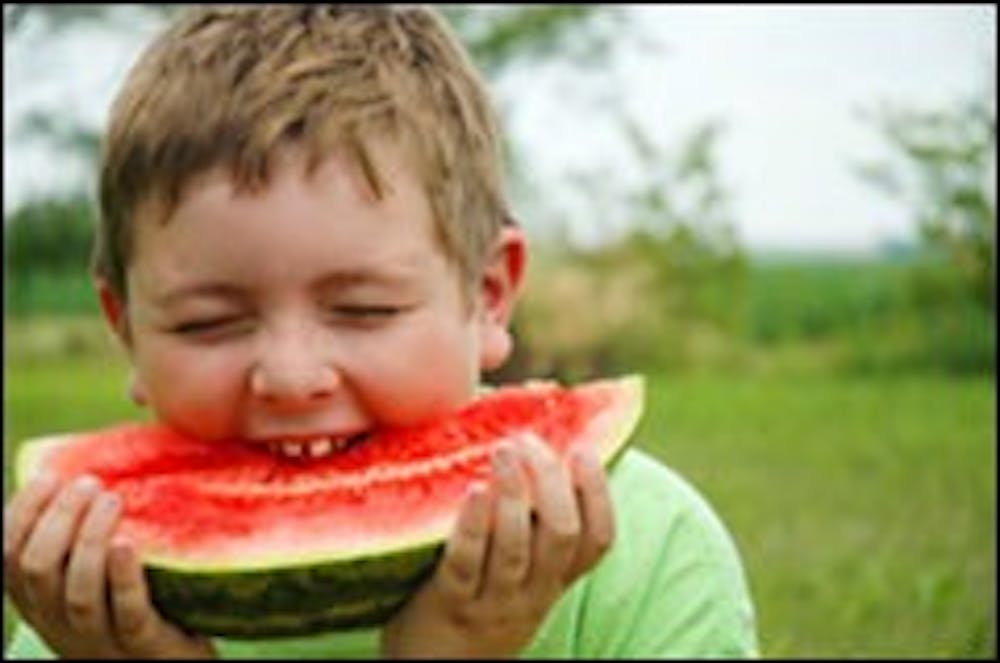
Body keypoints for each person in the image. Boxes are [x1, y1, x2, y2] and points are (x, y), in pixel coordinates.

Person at [3, 5, 759, 659]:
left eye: (363, 310)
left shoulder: (655, 555)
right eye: (211, 322)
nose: (293, 376)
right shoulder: (85, 598)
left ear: (489, 295)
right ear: (126, 331)